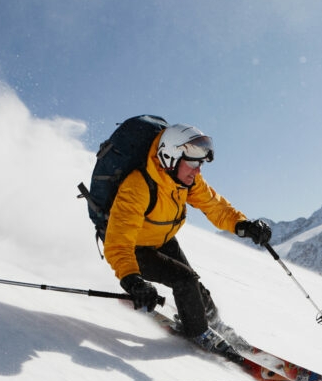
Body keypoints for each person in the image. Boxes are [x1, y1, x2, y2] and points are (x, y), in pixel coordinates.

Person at [103, 123, 271, 352]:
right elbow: (118, 241)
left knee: (195, 286)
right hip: (134, 249)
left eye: (200, 163)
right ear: (170, 157)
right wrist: (132, 281)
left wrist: (243, 225)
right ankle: (199, 333)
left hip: (162, 240)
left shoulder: (185, 181)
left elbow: (215, 206)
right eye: (192, 162)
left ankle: (215, 325)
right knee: (185, 280)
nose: (197, 170)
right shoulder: (138, 186)